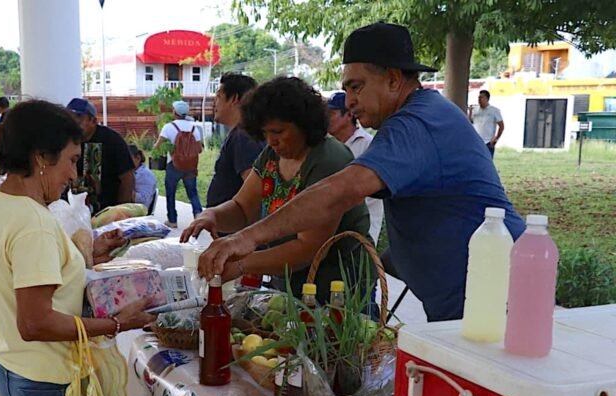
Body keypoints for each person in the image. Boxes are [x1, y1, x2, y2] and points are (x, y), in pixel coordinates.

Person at [198, 22, 525, 322]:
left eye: (357, 87)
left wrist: (247, 238)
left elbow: (340, 192)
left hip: (492, 293)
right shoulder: (410, 121)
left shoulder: (419, 122)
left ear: (394, 79)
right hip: (462, 298)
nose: (349, 101)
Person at [0, 99, 154, 396]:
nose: (74, 174)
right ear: (41, 158)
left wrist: (87, 255)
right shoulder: (34, 224)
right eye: (70, 161)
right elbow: (35, 321)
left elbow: (29, 284)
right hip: (45, 378)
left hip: (13, 370)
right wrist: (114, 324)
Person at [183, 77, 372, 303]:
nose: (271, 141)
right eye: (265, 133)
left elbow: (307, 248)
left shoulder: (328, 159)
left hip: (337, 290)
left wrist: (242, 264)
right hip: (289, 285)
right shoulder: (273, 156)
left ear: (304, 124)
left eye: (279, 131)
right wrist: (212, 215)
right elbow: (243, 209)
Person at [326, 91, 384, 244]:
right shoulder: (327, 146)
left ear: (349, 115)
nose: (327, 119)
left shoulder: (368, 145)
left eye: (332, 113)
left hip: (364, 227)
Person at [206, 73, 265, 209]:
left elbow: (255, 191)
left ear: (234, 99)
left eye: (219, 97)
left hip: (238, 228)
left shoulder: (243, 137)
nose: (215, 103)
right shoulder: (242, 133)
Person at [66, 97, 134, 213]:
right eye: (69, 118)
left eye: (78, 118)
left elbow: (127, 178)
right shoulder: (68, 141)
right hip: (77, 210)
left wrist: (121, 211)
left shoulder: (111, 140)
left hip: (108, 211)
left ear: (93, 121)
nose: (73, 123)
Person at [156, 100, 203, 228]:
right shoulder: (194, 128)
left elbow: (157, 147)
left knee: (170, 193)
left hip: (174, 165)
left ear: (174, 112)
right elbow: (199, 149)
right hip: (191, 166)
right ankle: (199, 217)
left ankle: (172, 220)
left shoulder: (169, 127)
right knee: (192, 192)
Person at [468, 89, 504, 158]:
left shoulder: (494, 110)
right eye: (478, 98)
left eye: (481, 97)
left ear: (487, 99)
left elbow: (501, 126)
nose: (479, 100)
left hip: (488, 142)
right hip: (476, 141)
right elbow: (469, 123)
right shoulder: (475, 110)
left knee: (488, 161)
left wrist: (496, 138)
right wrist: (470, 112)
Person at [128, 144, 157, 210]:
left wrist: (125, 188)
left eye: (127, 159)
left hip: (138, 212)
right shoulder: (131, 172)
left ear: (138, 158)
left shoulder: (146, 175)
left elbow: (143, 200)